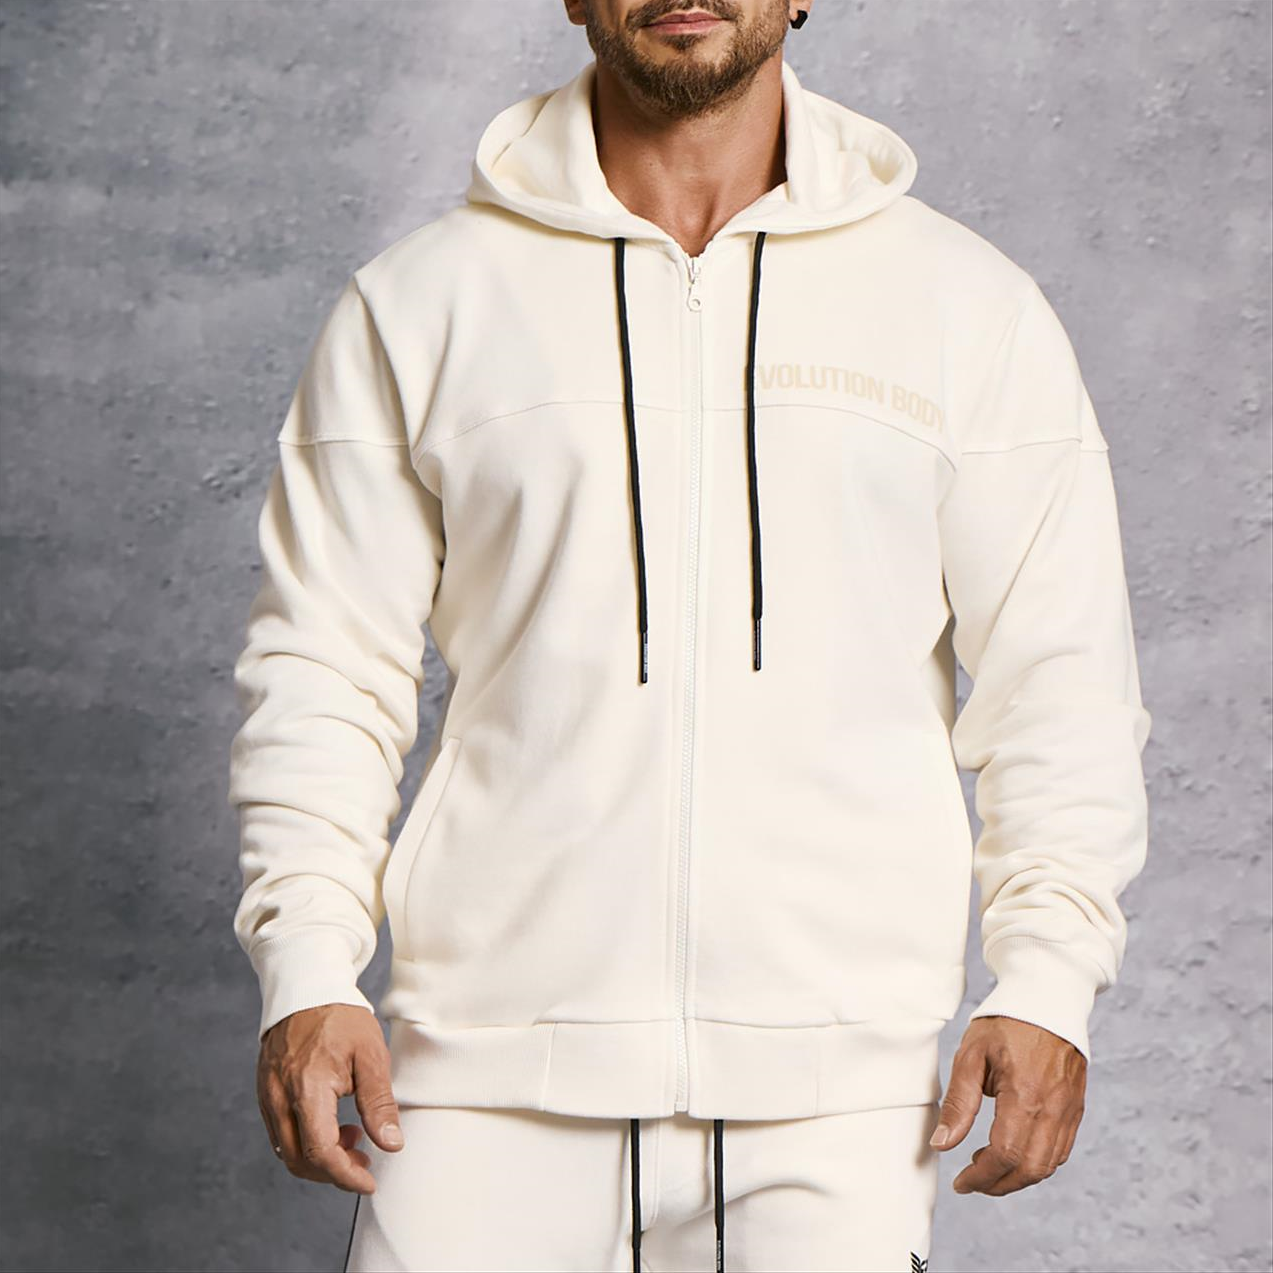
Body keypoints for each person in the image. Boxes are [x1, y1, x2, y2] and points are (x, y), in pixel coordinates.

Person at [226, 2, 1153, 1269]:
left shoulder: (964, 306)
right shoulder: (421, 304)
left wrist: (1047, 981)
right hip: (483, 1077)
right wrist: (308, 966)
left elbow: (1060, 686)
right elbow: (324, 670)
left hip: (840, 1097)